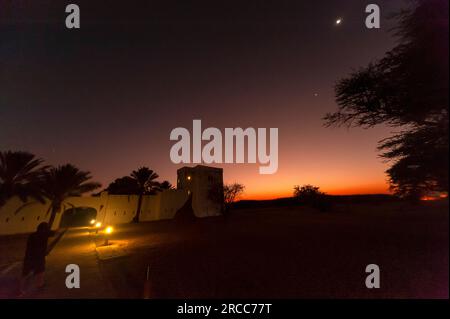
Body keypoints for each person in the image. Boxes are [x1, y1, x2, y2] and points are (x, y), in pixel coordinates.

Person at [19, 222, 54, 295]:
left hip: (29, 257)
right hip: (38, 257)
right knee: (40, 272)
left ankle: (21, 289)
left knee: (25, 273)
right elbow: (52, 234)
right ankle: (39, 285)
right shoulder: (44, 236)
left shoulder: (32, 235)